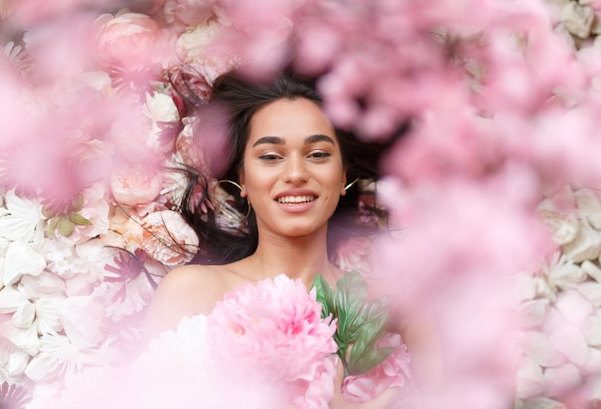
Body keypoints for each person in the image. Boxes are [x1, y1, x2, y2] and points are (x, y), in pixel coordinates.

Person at [143, 71, 415, 408]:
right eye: (271, 157)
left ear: (344, 174)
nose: (296, 173)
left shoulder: (396, 307)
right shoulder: (191, 291)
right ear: (240, 177)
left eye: (318, 154)